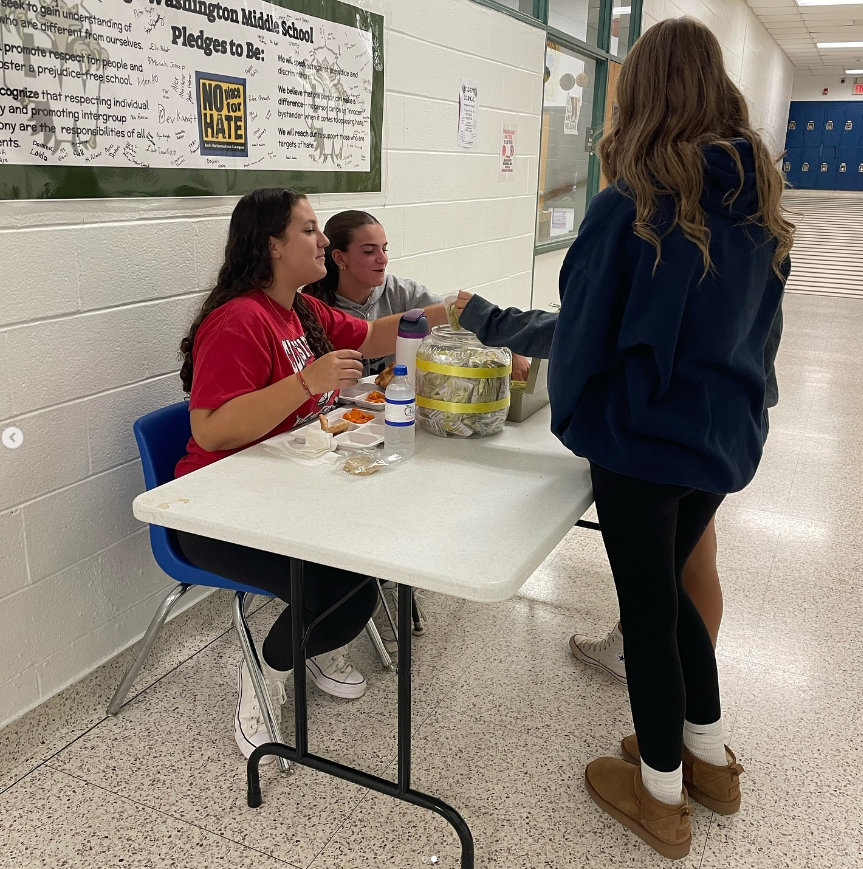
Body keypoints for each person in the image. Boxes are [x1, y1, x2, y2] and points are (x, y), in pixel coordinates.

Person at [541, 19, 791, 858]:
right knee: (673, 598)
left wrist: (577, 419)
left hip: (640, 444)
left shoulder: (630, 205)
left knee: (647, 610)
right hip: (722, 438)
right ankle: (709, 761)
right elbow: (766, 332)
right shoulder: (759, 203)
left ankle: (657, 794)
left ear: (640, 92)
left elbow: (582, 333)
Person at [174, 188, 446, 764]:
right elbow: (211, 431)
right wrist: (307, 383)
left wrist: (455, 309)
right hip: (211, 510)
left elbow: (372, 336)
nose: (323, 240)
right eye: (309, 229)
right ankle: (264, 672)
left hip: (283, 487)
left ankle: (311, 643)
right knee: (337, 594)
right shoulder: (238, 320)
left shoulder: (299, 307)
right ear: (272, 245)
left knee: (366, 562)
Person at [453, 290, 783, 680]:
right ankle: (692, 695)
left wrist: (490, 320)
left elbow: (586, 332)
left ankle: (664, 689)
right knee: (691, 559)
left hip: (658, 434)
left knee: (656, 586)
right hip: (722, 430)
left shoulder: (654, 238)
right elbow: (764, 339)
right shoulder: (760, 236)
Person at [305, 209, 532, 382]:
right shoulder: (315, 310)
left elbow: (460, 312)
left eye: (384, 249)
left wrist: (509, 346)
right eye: (369, 251)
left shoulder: (404, 292)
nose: (382, 259)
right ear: (339, 258)